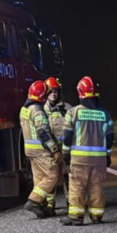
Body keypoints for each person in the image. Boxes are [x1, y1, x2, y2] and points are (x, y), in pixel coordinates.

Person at [60, 76, 114, 225]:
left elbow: (67, 136)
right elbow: (110, 138)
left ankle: (76, 217)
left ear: (80, 92)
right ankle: (97, 216)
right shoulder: (105, 114)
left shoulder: (73, 112)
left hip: (79, 159)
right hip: (99, 160)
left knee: (77, 186)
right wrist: (108, 156)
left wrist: (65, 153)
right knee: (96, 186)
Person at [20, 79, 62, 218]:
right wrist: (55, 149)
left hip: (30, 151)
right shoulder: (37, 110)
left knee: (39, 178)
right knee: (52, 175)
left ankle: (41, 206)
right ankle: (34, 201)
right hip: (40, 150)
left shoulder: (24, 109)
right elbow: (43, 132)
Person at [43, 76, 72, 215]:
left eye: (55, 91)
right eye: (50, 91)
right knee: (51, 176)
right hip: (51, 150)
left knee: (67, 176)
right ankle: (50, 203)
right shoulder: (42, 109)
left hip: (66, 149)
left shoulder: (67, 107)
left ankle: (70, 201)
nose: (53, 94)